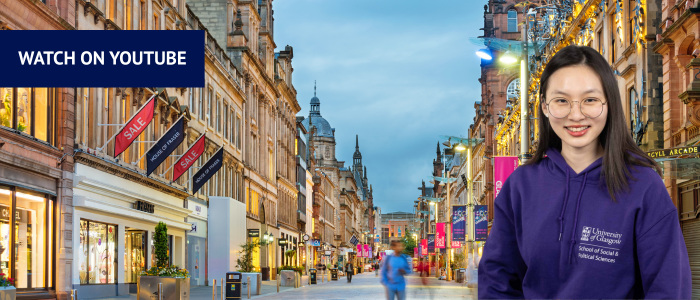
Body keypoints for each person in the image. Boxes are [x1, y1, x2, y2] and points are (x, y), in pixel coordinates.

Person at [478, 45, 692, 299]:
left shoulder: (643, 184)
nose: (576, 115)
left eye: (590, 100)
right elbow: (497, 280)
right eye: (561, 101)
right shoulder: (520, 186)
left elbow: (669, 287)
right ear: (545, 108)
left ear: (609, 103)